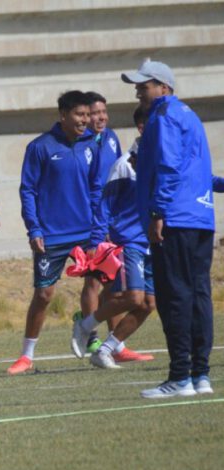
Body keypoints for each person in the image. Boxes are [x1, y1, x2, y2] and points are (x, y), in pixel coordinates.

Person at [122, 61, 215, 397]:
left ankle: (180, 377)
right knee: (198, 296)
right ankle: (200, 375)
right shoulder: (189, 115)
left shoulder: (163, 116)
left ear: (163, 86)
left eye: (143, 85)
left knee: (174, 297)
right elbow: (195, 169)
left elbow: (169, 166)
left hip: (174, 219)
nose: (137, 90)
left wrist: (158, 211)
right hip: (200, 219)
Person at [9, 91, 102, 375]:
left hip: (87, 232)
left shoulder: (91, 145)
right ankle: (26, 356)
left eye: (87, 115)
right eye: (79, 115)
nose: (85, 121)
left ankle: (99, 342)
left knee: (102, 286)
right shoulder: (40, 147)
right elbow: (28, 190)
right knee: (45, 294)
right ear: (63, 115)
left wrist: (99, 230)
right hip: (51, 236)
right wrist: (34, 228)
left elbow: (97, 188)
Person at [71, 106, 157, 369]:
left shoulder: (162, 161)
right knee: (133, 297)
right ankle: (84, 325)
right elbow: (104, 206)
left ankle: (105, 350)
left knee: (148, 304)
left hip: (154, 242)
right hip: (129, 241)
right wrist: (97, 242)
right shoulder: (124, 166)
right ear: (143, 128)